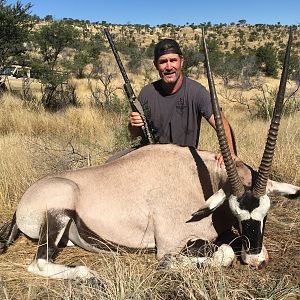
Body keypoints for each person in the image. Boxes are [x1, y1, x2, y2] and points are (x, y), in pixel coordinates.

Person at [128, 38, 237, 166]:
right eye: (163, 62)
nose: (169, 67)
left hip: (185, 163)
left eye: (173, 60)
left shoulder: (197, 92)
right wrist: (132, 125)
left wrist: (229, 151)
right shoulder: (146, 93)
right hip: (151, 160)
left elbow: (221, 123)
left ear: (182, 61)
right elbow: (136, 134)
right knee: (111, 163)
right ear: (156, 65)